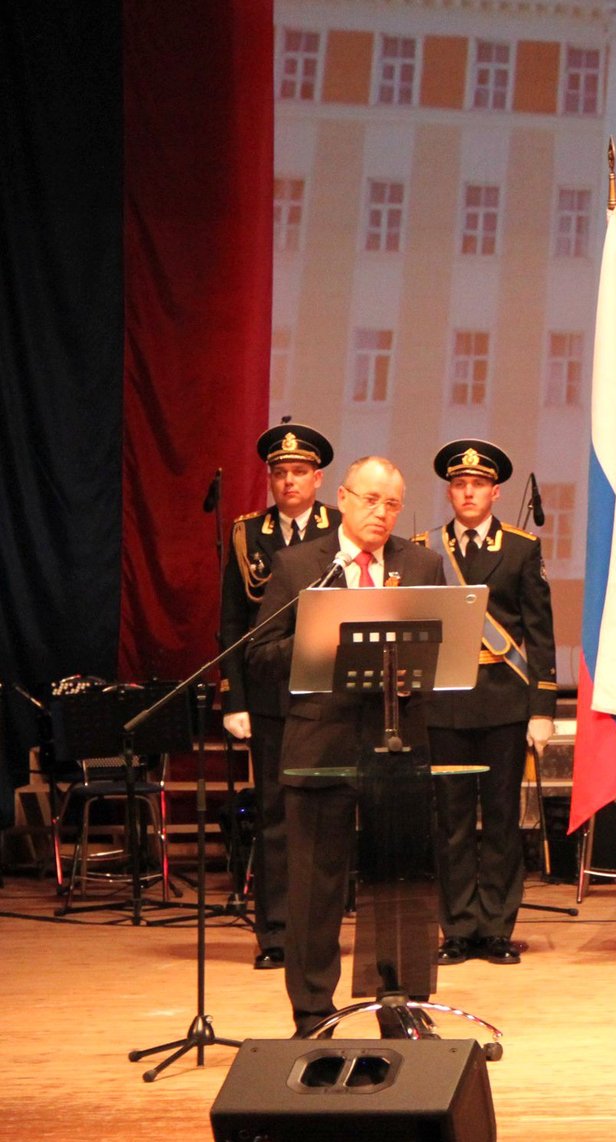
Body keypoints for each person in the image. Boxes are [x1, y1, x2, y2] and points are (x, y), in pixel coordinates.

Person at [247, 456, 446, 1035]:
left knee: (399, 884)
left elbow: (441, 652)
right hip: (320, 743)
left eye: (392, 504)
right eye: (369, 500)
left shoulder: (422, 563)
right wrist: (326, 637)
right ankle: (312, 1012)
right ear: (342, 497)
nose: (380, 513)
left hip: (398, 743)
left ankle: (400, 1009)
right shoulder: (299, 565)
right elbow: (260, 657)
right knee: (315, 888)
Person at [416, 440, 557, 967]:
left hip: (502, 701)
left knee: (500, 819)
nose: (468, 491)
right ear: (450, 491)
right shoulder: (424, 550)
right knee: (450, 821)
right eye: (459, 484)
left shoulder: (522, 549)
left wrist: (542, 707)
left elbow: (540, 634)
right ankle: (457, 929)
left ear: (495, 493)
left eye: (478, 484)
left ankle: (497, 928)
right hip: (444, 704)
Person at [218, 420, 340, 971]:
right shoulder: (248, 534)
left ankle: (322, 930)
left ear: (317, 478)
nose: (288, 481)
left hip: (327, 697)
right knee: (271, 814)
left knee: (326, 816)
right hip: (268, 698)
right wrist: (234, 699)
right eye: (279, 472)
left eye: (298, 472)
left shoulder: (340, 530)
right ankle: (273, 933)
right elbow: (233, 626)